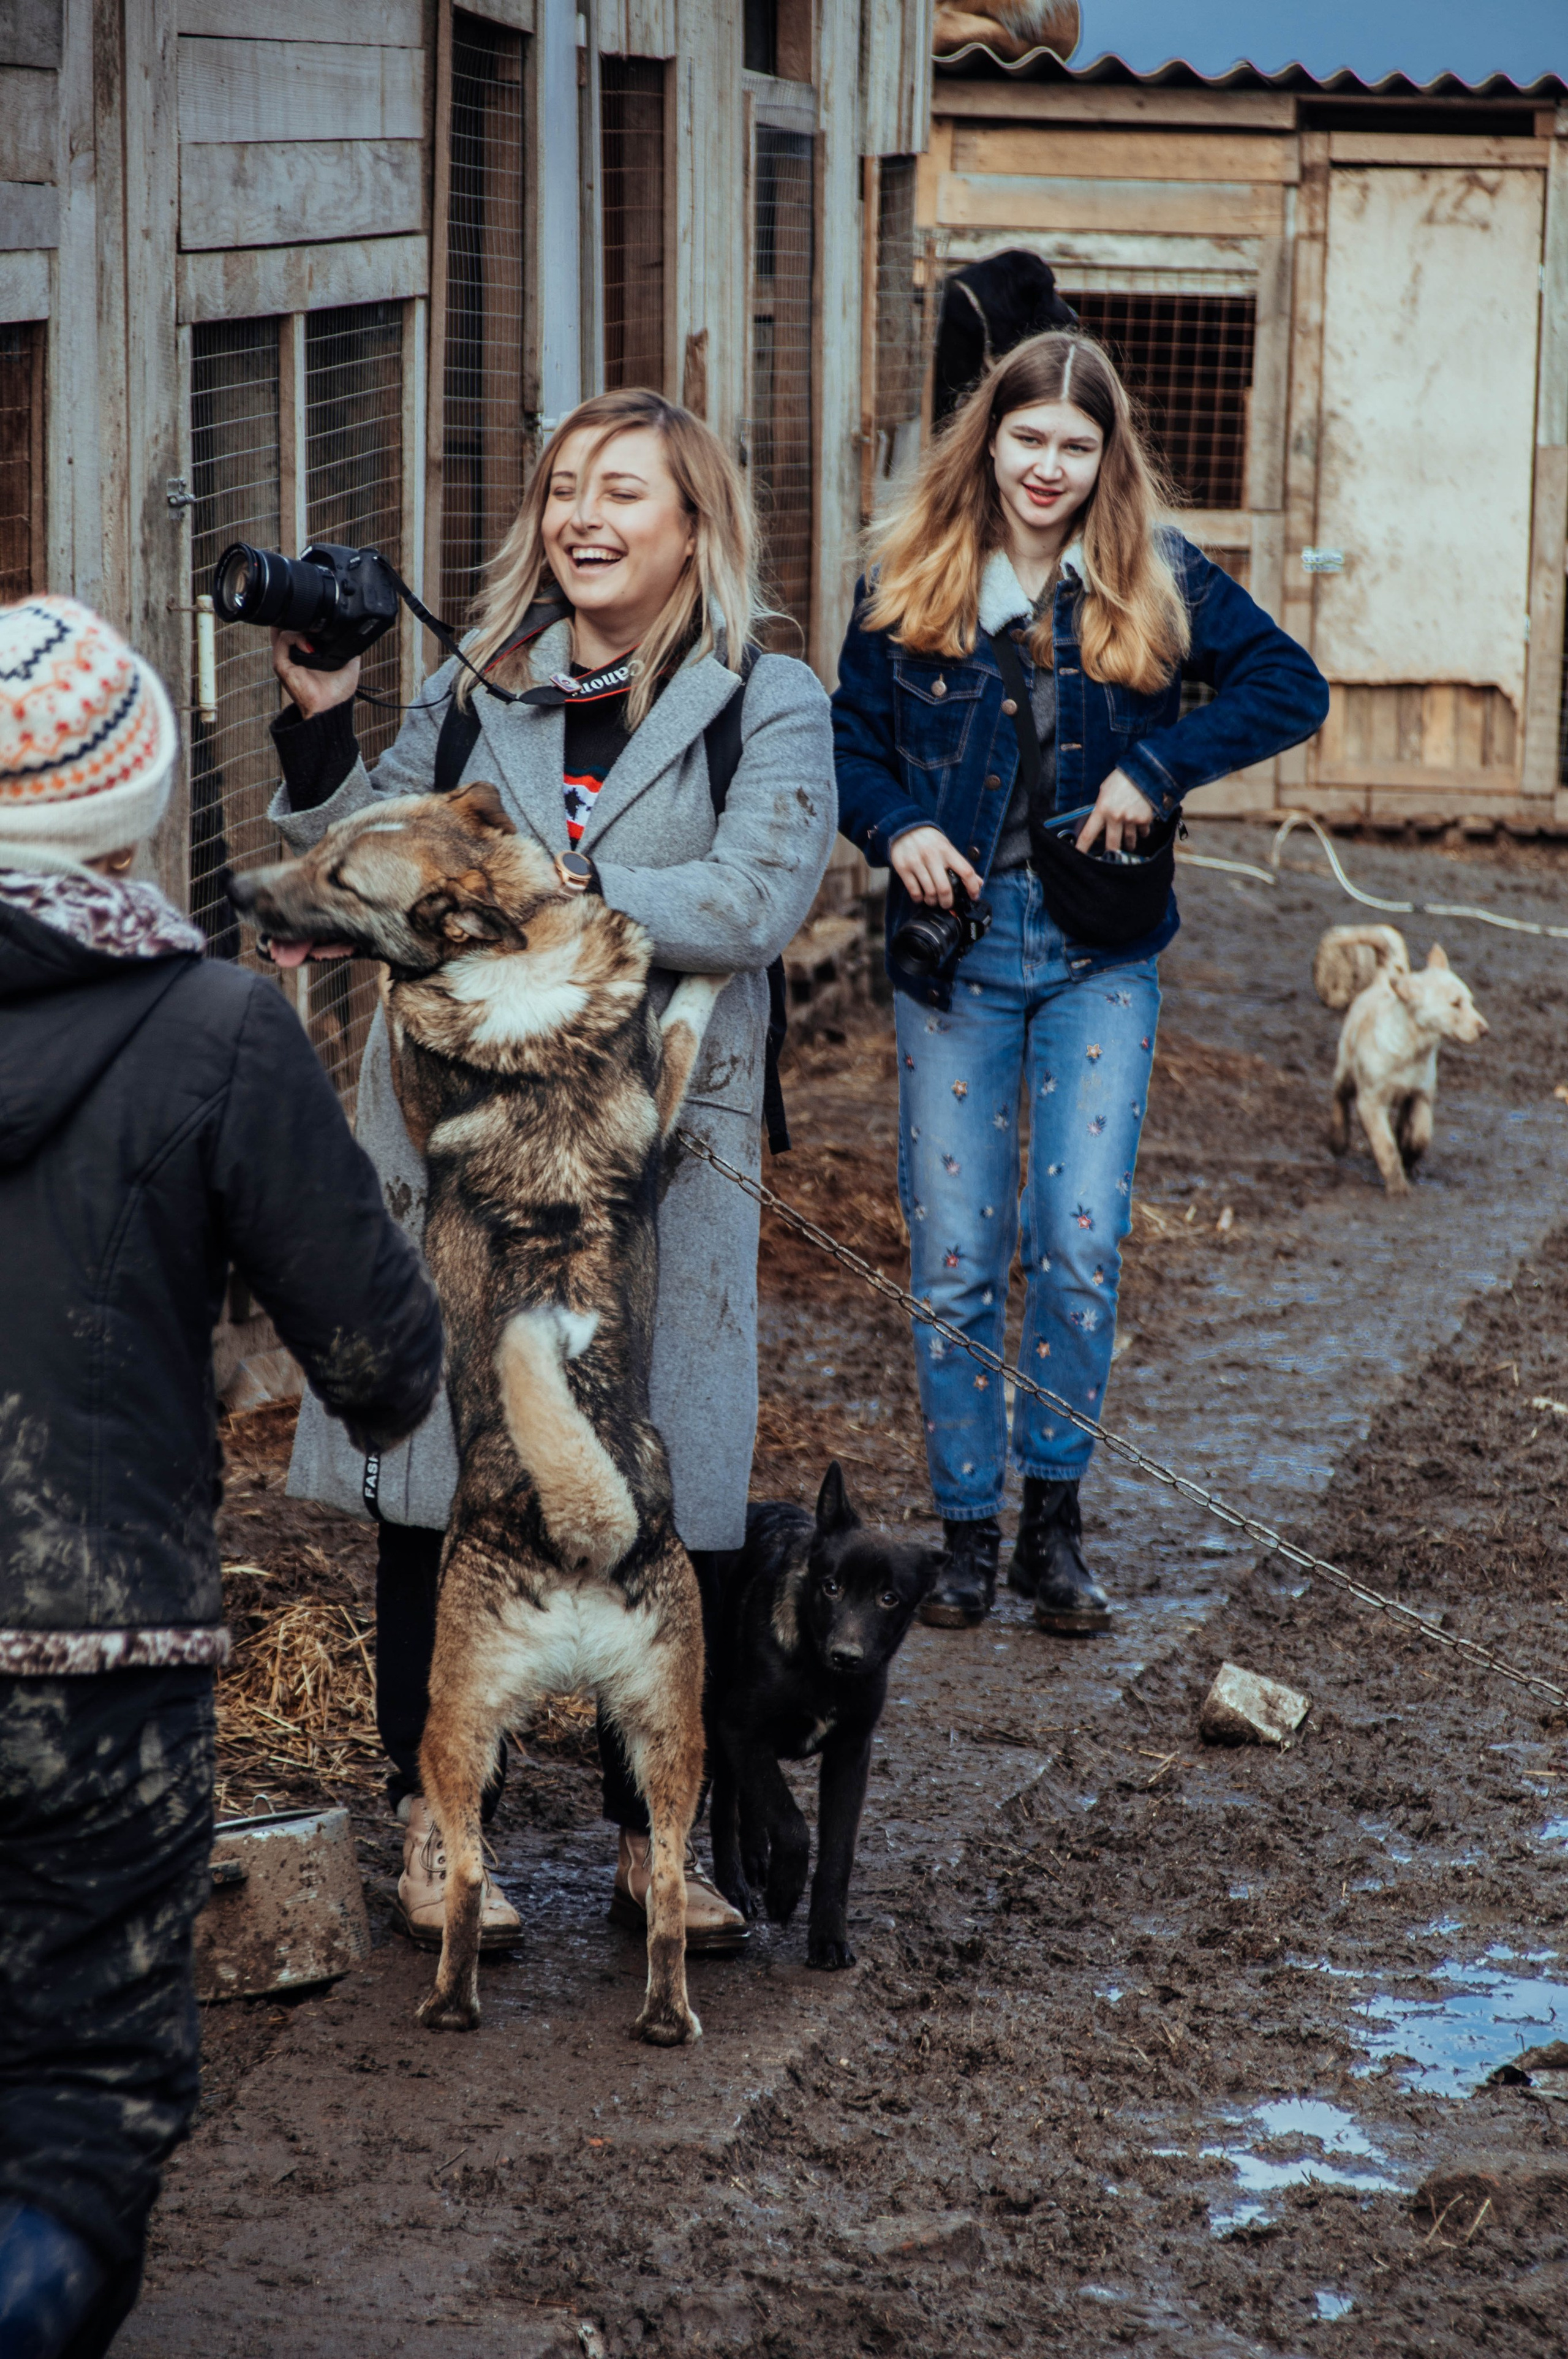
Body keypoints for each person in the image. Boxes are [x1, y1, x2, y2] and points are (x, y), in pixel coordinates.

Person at [263, 388, 836, 1954]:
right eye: (566, 488)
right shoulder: (472, 691)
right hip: (455, 1151)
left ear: (693, 527)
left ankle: (657, 1841)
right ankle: (437, 1826)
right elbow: (338, 852)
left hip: (647, 1163)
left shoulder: (758, 700)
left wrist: (542, 887)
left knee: (661, 1482)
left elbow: (751, 892)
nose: (585, 516)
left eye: (624, 495)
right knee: (438, 1486)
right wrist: (322, 708)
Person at [0, 596, 444, 2359]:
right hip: (95, 1676)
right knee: (80, 2119)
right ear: (131, 809)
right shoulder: (215, 1030)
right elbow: (392, 1376)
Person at [831, 333, 1329, 1633]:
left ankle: (1052, 1528)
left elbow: (1289, 683)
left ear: (1106, 457)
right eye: (1025, 438)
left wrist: (1156, 767)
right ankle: (962, 1539)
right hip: (955, 959)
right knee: (951, 1255)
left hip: (1099, 958)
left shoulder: (1150, 576)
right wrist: (892, 827)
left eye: (1073, 444)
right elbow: (844, 737)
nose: (1045, 467)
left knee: (1077, 1243)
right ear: (985, 440)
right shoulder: (908, 578)